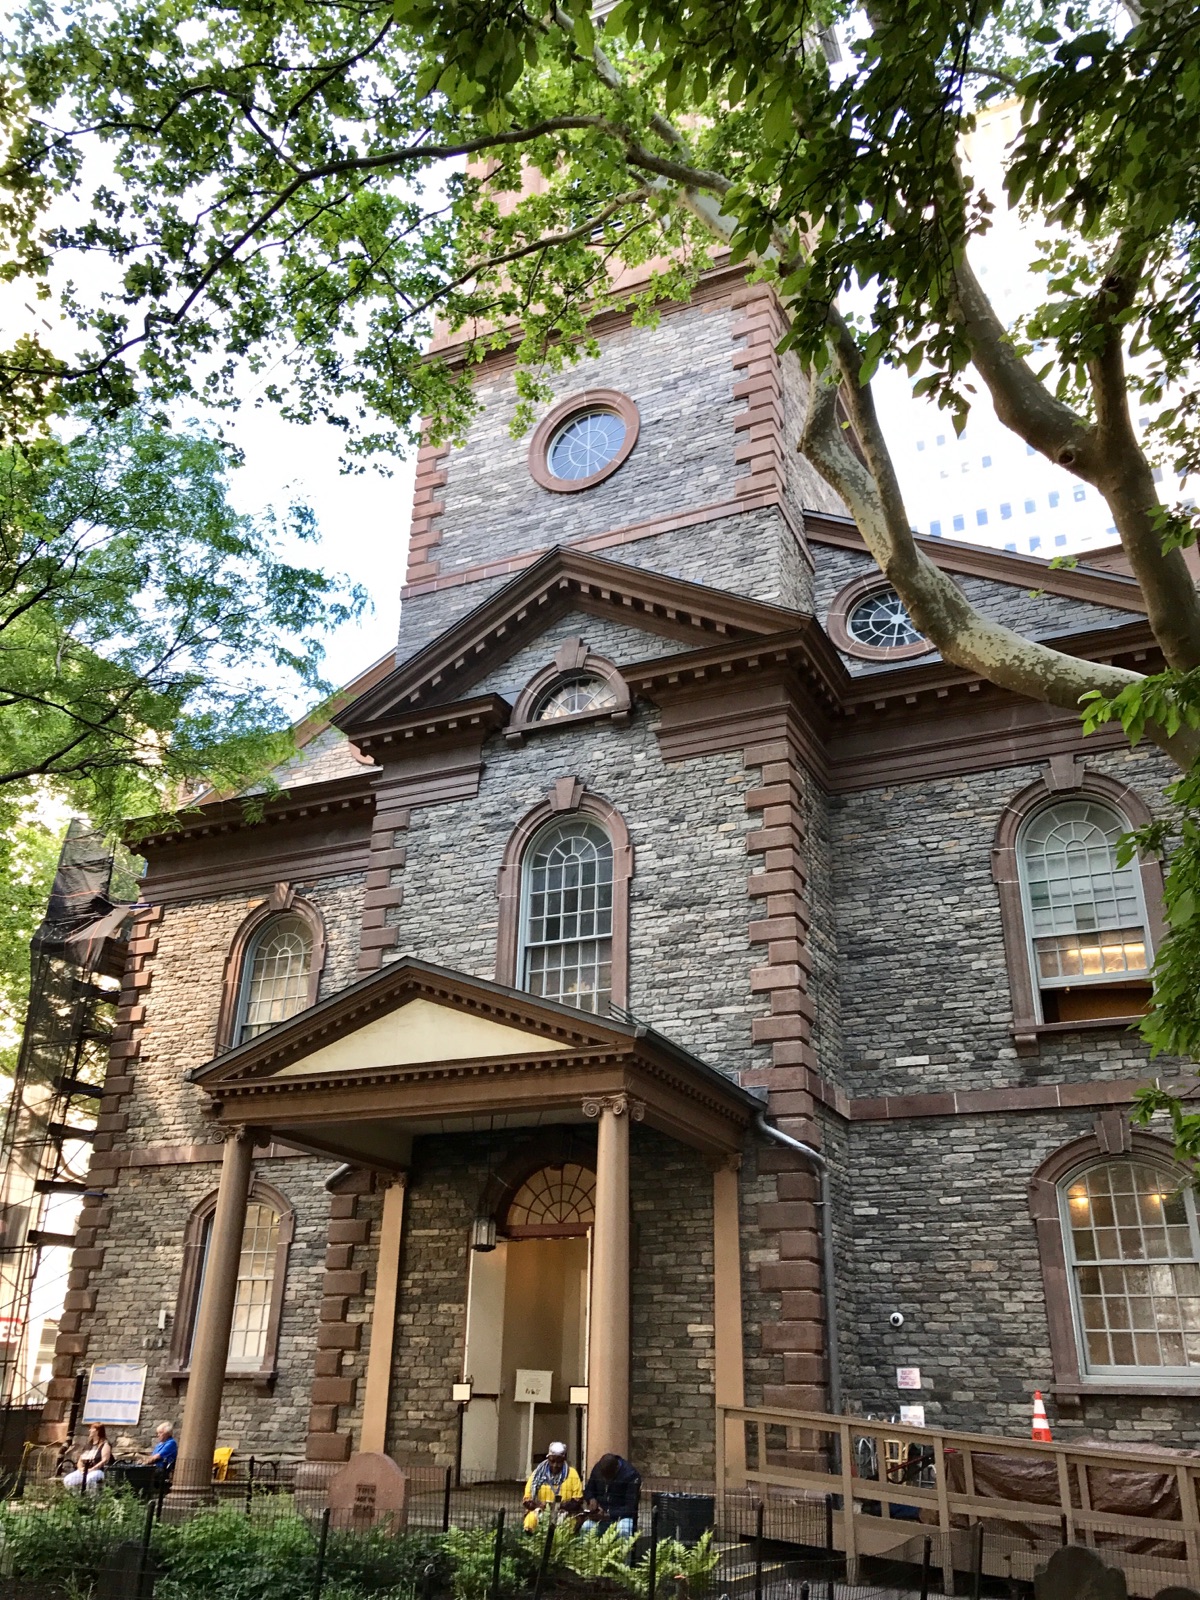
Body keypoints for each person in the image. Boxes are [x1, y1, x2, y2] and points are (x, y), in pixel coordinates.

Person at [522, 1442, 583, 1533]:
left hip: (565, 1513)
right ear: (548, 1458)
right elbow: (527, 1501)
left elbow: (578, 1501)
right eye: (552, 1461)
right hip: (541, 1511)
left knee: (568, 1525)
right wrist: (540, 1506)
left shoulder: (572, 1474)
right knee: (530, 1522)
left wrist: (559, 1506)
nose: (555, 1465)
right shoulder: (537, 1474)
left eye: (559, 1462)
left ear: (564, 1460)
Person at [580, 1453, 641, 1537]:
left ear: (616, 1469)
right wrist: (591, 1499)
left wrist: (609, 1514)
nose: (605, 1480)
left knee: (624, 1531)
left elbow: (630, 1507)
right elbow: (589, 1490)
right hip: (600, 1515)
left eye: (608, 1477)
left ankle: (623, 1550)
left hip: (622, 1516)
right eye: (603, 1476)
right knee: (586, 1528)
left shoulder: (631, 1475)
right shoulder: (598, 1469)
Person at [63, 1424, 112, 1494]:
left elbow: (105, 1460)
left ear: (98, 1431)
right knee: (68, 1480)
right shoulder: (88, 1445)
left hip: (98, 1471)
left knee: (89, 1479)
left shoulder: (105, 1444)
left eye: (92, 1429)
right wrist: (80, 1468)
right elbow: (80, 1459)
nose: (90, 1430)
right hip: (85, 1470)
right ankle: (78, 1498)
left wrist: (92, 1469)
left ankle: (92, 1500)